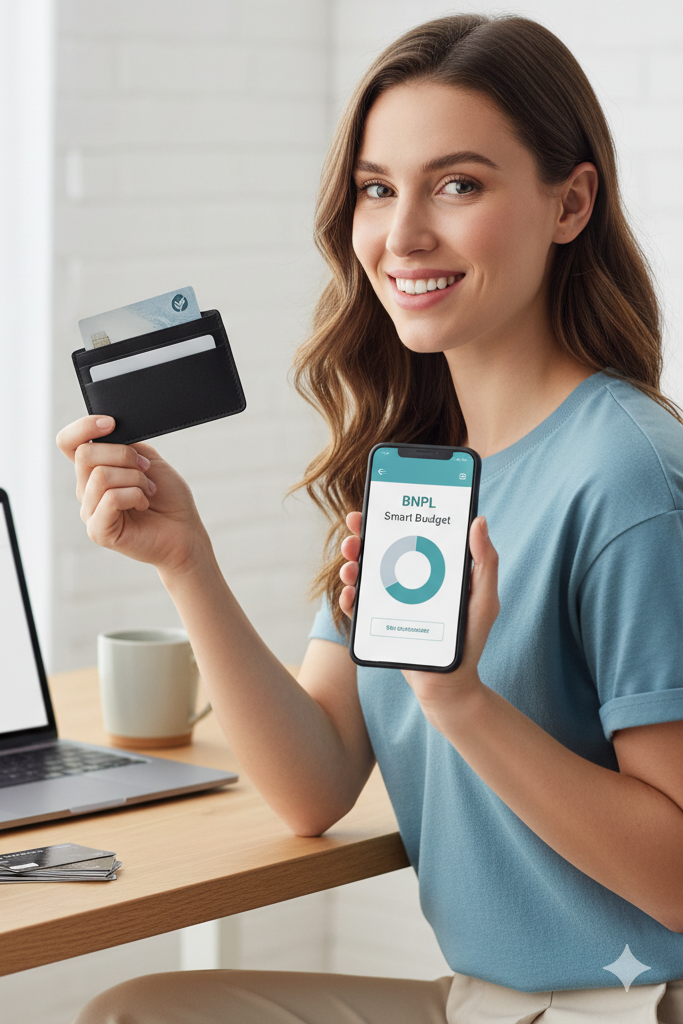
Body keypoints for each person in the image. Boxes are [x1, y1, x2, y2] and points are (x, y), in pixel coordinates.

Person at [56, 13, 683, 1024]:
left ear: (570, 203)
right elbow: (314, 780)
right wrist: (186, 561)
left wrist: (461, 701)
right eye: (377, 189)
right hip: (482, 1004)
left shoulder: (627, 474)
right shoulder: (420, 467)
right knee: (139, 1012)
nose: (402, 236)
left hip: (628, 1008)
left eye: (457, 184)